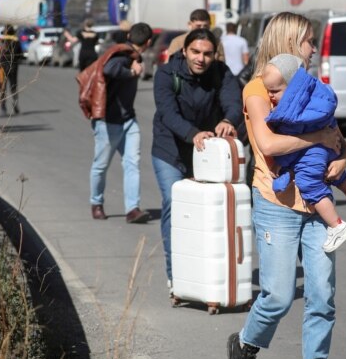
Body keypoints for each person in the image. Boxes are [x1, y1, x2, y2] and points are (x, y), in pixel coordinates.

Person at [225, 12, 345, 359]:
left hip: (318, 202)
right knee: (277, 296)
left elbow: (337, 138)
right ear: (291, 43)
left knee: (322, 294)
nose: (313, 48)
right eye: (309, 40)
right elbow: (268, 143)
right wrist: (318, 139)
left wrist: (341, 158)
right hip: (276, 203)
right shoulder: (258, 89)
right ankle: (244, 345)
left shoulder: (310, 85)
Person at [151, 28, 243, 298]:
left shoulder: (222, 73)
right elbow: (167, 113)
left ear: (214, 55)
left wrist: (228, 121)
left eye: (207, 53)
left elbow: (234, 104)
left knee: (206, 213)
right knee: (175, 203)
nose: (201, 58)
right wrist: (193, 134)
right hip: (170, 149)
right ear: (184, 51)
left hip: (204, 154)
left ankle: (203, 274)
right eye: (195, 52)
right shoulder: (167, 74)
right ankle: (175, 276)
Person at [261, 54, 346, 252]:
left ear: (292, 88)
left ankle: (336, 225)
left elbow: (293, 144)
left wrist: (281, 164)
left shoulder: (292, 113)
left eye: (275, 91)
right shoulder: (317, 96)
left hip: (311, 153)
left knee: (309, 183)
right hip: (331, 146)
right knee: (338, 175)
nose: (270, 96)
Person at [89, 22, 153, 224]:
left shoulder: (130, 54)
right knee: (101, 165)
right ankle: (96, 203)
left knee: (132, 163)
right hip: (108, 121)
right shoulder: (122, 54)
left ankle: (132, 209)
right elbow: (109, 70)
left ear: (129, 35)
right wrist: (132, 72)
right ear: (149, 42)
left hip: (129, 120)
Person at [0, 25, 23, 115]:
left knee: (2, 86)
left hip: (2, 66)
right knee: (13, 86)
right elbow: (20, 54)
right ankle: (15, 103)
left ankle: (3, 106)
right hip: (13, 66)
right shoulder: (16, 41)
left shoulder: (1, 41)